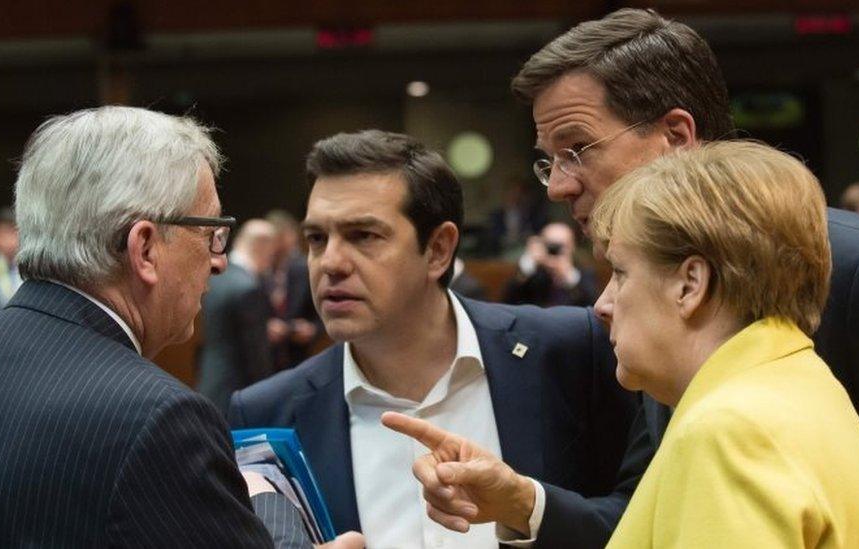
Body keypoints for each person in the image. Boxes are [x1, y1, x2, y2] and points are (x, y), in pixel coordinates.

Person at [385, 6, 859, 539]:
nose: (558, 187)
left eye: (576, 150)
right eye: (550, 161)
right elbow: (656, 507)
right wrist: (522, 502)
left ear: (676, 136)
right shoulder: (665, 310)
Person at [0, 106, 362, 549]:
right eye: (210, 231)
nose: (219, 261)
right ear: (146, 249)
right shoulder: (159, 420)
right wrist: (268, 504)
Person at [230, 130, 641, 548]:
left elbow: (645, 520)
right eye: (317, 238)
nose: (330, 263)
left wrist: (526, 507)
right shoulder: (267, 414)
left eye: (363, 236)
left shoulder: (568, 351)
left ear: (439, 250)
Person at [594, 141, 859, 546]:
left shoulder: (730, 429)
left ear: (690, 285)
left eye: (620, 272)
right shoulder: (808, 386)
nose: (603, 303)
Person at [196, 219, 276, 416]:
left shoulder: (215, 278)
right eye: (273, 253)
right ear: (261, 246)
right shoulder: (247, 288)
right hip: (236, 393)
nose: (272, 260)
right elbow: (257, 357)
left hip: (208, 381)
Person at [265, 209, 323, 371]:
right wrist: (264, 326)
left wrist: (313, 330)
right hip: (265, 358)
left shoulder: (305, 268)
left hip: (299, 356)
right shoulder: (259, 268)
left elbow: (322, 310)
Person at [503, 222, 598, 307]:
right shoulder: (533, 275)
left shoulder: (583, 273)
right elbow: (509, 302)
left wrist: (569, 277)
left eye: (559, 247)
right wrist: (527, 267)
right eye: (550, 246)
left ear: (572, 247)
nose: (554, 251)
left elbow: (592, 308)